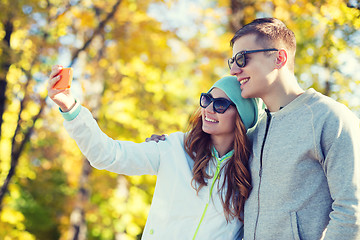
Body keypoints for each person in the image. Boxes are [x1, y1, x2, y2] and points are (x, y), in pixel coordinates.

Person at [47, 69, 260, 239]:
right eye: (206, 99)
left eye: (221, 104)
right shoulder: (175, 147)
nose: (209, 108)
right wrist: (70, 108)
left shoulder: (252, 168)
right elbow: (108, 155)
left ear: (242, 117)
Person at [228, 18, 360, 239]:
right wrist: (170, 143)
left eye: (242, 59)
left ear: (279, 58)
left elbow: (352, 208)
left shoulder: (330, 117)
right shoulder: (254, 129)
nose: (234, 70)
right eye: (232, 61)